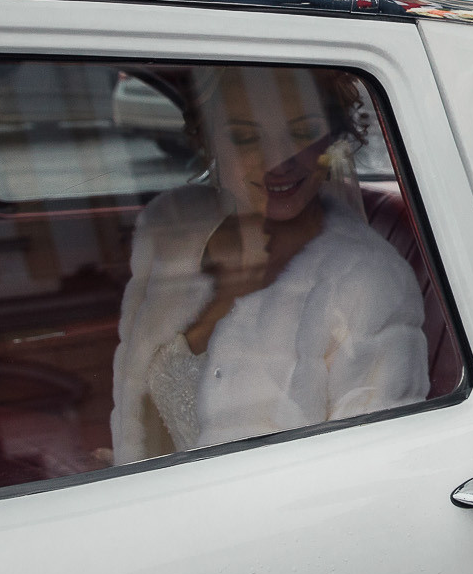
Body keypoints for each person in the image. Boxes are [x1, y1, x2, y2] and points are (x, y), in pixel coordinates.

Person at [110, 66, 431, 464]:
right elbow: (142, 421)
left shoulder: (367, 283)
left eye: (301, 133)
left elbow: (372, 470)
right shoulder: (173, 237)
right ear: (207, 141)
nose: (279, 160)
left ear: (331, 138)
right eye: (245, 137)